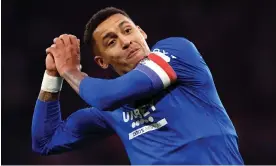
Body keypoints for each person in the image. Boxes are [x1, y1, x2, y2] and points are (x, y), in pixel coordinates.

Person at [32, 7, 244, 165]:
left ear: (141, 33)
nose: (125, 41)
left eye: (127, 30)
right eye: (111, 42)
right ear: (102, 62)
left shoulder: (178, 51)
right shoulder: (112, 110)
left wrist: (70, 71)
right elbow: (45, 141)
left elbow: (107, 96)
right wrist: (53, 75)